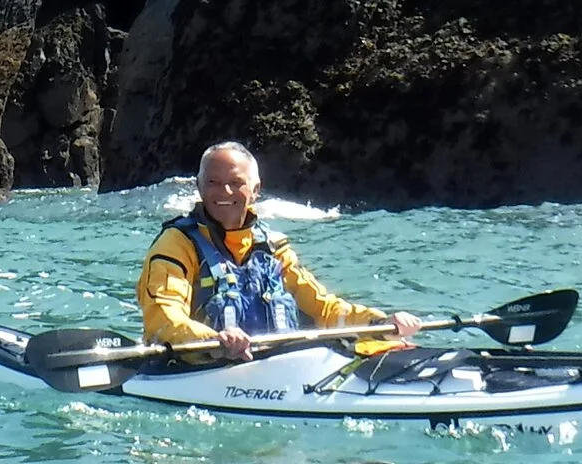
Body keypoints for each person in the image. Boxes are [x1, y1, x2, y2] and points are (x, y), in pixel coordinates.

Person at [136, 142, 422, 362]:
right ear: (199, 187)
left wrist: (379, 323)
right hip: (201, 366)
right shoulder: (175, 244)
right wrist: (215, 339)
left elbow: (324, 307)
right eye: (212, 182)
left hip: (276, 366)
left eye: (236, 183)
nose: (223, 192)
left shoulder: (272, 247)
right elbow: (163, 318)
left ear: (255, 190)